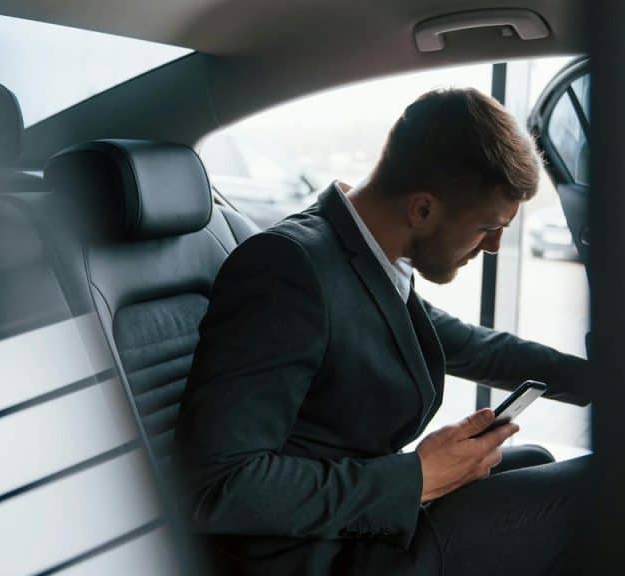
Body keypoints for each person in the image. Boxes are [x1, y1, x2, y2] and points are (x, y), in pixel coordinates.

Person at [173, 87, 592, 575]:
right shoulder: (288, 268)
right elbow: (219, 486)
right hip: (312, 556)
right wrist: (417, 477)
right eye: (486, 227)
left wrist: (601, 382)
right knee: (588, 487)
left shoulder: (368, 258)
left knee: (532, 460)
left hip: (355, 526)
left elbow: (476, 347)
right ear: (422, 210)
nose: (496, 246)